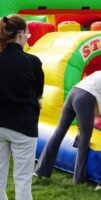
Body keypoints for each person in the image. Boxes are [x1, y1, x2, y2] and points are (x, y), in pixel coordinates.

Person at [34, 56, 101, 184]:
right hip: (85, 99)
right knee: (85, 138)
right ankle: (79, 179)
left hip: (73, 94)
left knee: (59, 132)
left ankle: (40, 170)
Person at [0, 15, 44, 200]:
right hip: (23, 127)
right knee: (23, 180)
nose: (28, 36)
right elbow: (38, 94)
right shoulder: (32, 62)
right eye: (27, 33)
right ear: (19, 34)